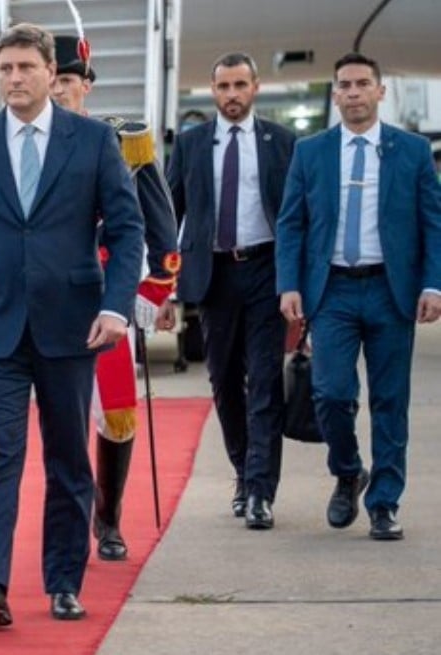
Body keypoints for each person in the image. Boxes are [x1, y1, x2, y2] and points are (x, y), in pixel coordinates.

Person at [0, 24, 143, 625]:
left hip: (74, 325)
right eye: (6, 69)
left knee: (67, 460)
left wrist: (115, 305)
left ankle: (63, 581)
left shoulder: (93, 141)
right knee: (0, 453)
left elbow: (128, 231)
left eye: (26, 67)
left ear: (53, 72)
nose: (15, 79)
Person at [276, 52, 441, 540]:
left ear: (380, 91)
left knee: (390, 401)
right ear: (335, 93)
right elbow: (292, 223)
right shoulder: (312, 152)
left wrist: (433, 283)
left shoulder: (410, 151)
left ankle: (384, 503)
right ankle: (348, 472)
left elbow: (433, 224)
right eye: (344, 85)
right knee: (330, 394)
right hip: (334, 292)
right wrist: (289, 283)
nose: (352, 92)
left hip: (392, 292)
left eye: (362, 84)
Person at [48, 34, 179, 560]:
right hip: (49, 298)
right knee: (61, 414)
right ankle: (70, 512)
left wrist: (153, 286)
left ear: (86, 85)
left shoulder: (126, 140)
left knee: (116, 410)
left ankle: (109, 516)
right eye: (50, 80)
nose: (57, 92)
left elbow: (160, 224)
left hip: (106, 295)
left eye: (66, 81)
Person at [163, 52, 295, 528]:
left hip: (266, 271)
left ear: (255, 87)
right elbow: (169, 215)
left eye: (241, 85)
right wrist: (162, 287)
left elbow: (297, 217)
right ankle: (243, 470)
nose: (232, 95)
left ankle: (261, 490)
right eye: (224, 87)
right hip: (213, 275)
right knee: (223, 381)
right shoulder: (192, 144)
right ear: (212, 90)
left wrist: (300, 282)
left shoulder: (281, 142)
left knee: (264, 379)